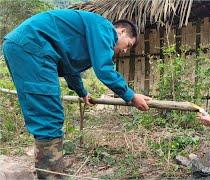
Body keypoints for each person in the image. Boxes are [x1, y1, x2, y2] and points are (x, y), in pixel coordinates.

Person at [2, 9, 151, 179]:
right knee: (48, 115)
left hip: (25, 46)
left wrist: (82, 92)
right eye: (128, 45)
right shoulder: (105, 28)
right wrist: (131, 96)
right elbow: (104, 69)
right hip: (33, 47)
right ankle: (51, 174)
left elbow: (69, 69)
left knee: (45, 112)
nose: (125, 51)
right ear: (121, 31)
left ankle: (51, 167)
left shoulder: (88, 32)